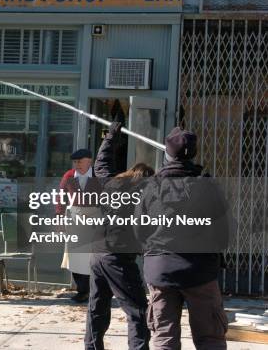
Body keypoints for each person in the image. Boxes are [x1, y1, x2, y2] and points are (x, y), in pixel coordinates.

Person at [134, 127, 230, 350]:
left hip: (161, 271)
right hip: (200, 270)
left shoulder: (151, 187)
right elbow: (223, 234)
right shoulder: (209, 187)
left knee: (164, 337)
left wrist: (153, 253)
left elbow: (139, 231)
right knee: (210, 338)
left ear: (167, 155)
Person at [85, 122, 153, 350]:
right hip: (118, 257)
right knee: (138, 310)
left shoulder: (112, 184)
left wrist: (110, 136)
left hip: (97, 253)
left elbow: (101, 163)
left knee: (97, 308)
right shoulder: (142, 196)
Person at [57, 148, 101, 303]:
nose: (77, 165)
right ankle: (82, 291)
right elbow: (61, 198)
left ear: (89, 161)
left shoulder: (98, 175)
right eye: (74, 162)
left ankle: (95, 290)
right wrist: (60, 219)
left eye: (80, 161)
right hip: (75, 217)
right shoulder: (69, 176)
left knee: (94, 257)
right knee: (75, 256)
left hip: (95, 218)